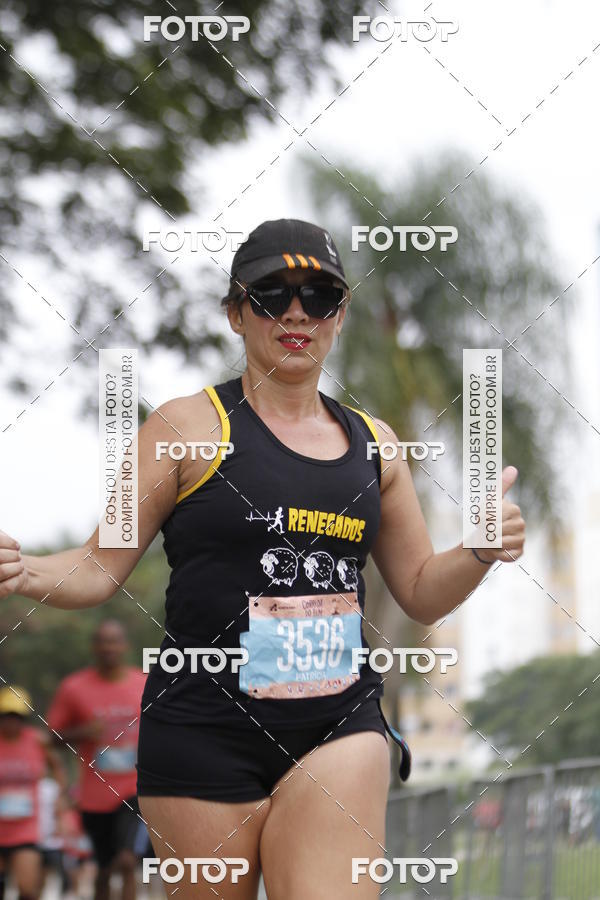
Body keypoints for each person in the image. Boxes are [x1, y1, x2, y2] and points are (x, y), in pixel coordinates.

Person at [0, 219, 526, 898]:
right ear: (236, 313)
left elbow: (423, 590)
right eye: (273, 295)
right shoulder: (182, 429)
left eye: (320, 296)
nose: (297, 313)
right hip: (202, 730)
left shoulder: (377, 446)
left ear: (340, 315)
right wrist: (23, 571)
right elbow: (101, 565)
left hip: (338, 724)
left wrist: (479, 551)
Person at [46, 621, 146, 900]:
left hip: (135, 790)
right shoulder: (73, 687)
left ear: (125, 645)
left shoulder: (144, 683)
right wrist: (83, 732)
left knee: (127, 862)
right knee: (104, 869)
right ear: (94, 647)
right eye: (103, 642)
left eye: (114, 641)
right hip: (94, 796)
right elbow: (52, 737)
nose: (108, 648)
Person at [0, 685, 67, 900]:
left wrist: (60, 797)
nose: (11, 722)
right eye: (6, 716)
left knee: (28, 890)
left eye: (17, 717)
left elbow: (58, 768)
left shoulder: (37, 741)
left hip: (25, 828)